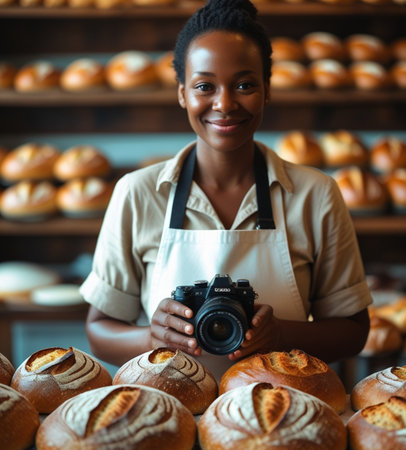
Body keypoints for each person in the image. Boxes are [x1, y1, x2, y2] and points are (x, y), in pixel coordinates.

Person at [80, 0, 372, 380]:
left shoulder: (316, 194)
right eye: (205, 86)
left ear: (267, 90)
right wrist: (153, 337)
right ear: (183, 93)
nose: (224, 103)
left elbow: (353, 331)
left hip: (280, 412)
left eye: (245, 85)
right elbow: (99, 331)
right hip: (171, 410)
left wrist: (280, 334)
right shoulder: (137, 193)